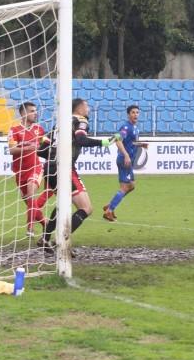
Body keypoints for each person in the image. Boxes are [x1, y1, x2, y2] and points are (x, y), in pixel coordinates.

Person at [37, 98, 120, 251]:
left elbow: (41, 150)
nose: (88, 109)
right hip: (64, 167)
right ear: (79, 108)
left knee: (63, 203)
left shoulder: (58, 124)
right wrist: (106, 143)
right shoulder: (80, 120)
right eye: (86, 105)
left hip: (49, 167)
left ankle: (45, 238)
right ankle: (60, 241)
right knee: (86, 208)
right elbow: (81, 139)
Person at [102, 105, 149, 222]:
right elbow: (118, 141)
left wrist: (140, 144)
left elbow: (131, 143)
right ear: (128, 114)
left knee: (131, 186)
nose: (136, 115)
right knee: (125, 187)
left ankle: (110, 205)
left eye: (137, 112)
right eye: (133, 112)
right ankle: (109, 211)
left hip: (128, 161)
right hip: (124, 160)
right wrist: (126, 155)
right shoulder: (126, 127)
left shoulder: (136, 128)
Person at [8, 102, 48, 237]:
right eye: (32, 111)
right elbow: (12, 150)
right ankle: (45, 223)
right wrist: (27, 147)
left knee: (31, 191)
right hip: (20, 172)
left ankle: (29, 228)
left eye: (36, 110)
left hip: (35, 168)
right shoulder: (14, 130)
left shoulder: (39, 129)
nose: (35, 113)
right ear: (23, 113)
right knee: (31, 203)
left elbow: (47, 142)